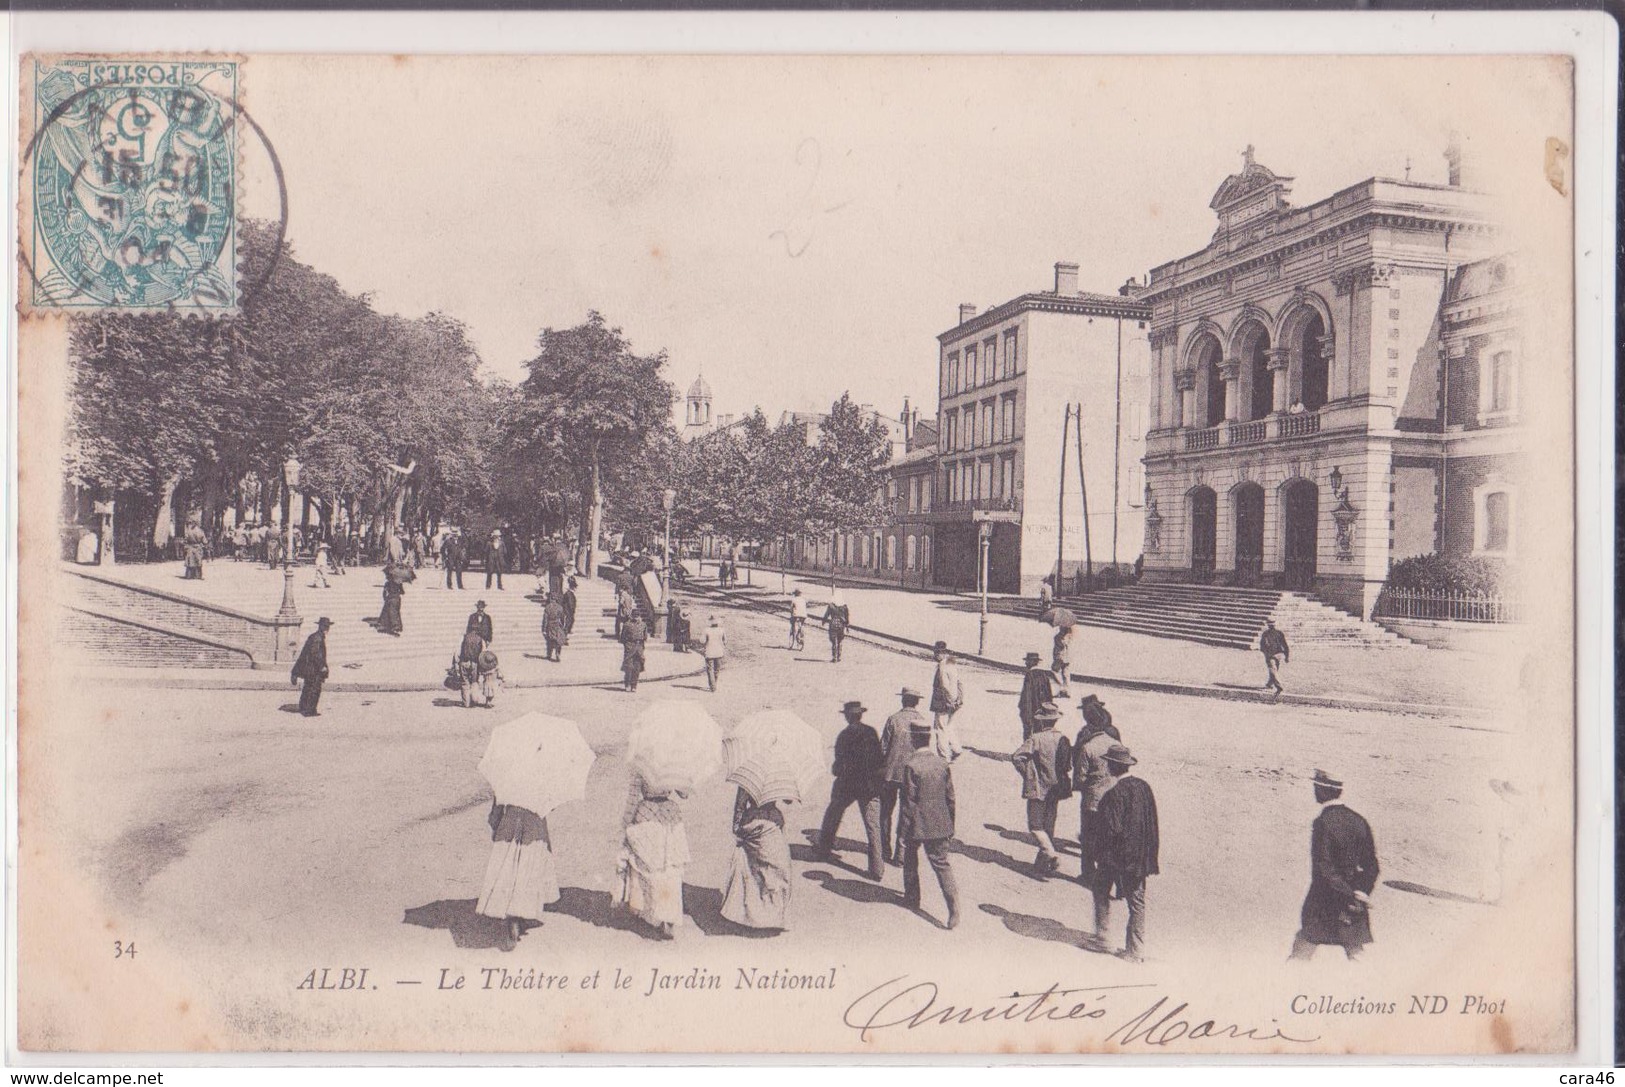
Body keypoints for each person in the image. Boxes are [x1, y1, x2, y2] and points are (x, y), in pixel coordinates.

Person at [1289, 770, 1379, 962]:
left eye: (1316, 787)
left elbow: (1324, 868)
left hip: (1324, 900)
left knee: (1303, 947)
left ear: (1322, 790)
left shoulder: (1323, 823)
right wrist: (1361, 892)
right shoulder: (1358, 820)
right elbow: (1372, 865)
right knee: (1356, 951)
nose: (1314, 791)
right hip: (1352, 904)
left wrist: (1347, 893)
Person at [1092, 743, 1159, 962]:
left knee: (1101, 889)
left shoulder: (1114, 794)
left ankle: (1102, 937)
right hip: (1139, 856)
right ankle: (1135, 950)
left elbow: (1111, 829)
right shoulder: (1143, 787)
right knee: (1137, 902)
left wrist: (1096, 849)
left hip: (1116, 857)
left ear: (1111, 766)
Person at [899, 718, 961, 929]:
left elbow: (908, 803)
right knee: (942, 865)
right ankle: (954, 911)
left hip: (917, 824)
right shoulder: (942, 764)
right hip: (940, 823)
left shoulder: (910, 766)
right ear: (930, 738)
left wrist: (902, 830)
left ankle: (912, 898)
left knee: (909, 858)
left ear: (913, 740)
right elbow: (950, 798)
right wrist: (950, 825)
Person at [477, 799, 560, 953]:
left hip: (510, 820)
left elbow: (497, 806)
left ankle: (512, 918)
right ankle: (519, 913)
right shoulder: (544, 777)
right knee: (527, 871)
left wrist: (496, 822)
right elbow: (550, 805)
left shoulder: (507, 777)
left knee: (508, 869)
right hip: (534, 824)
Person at [616, 771, 691, 938]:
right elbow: (684, 794)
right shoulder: (674, 764)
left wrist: (624, 825)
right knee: (671, 868)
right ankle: (669, 917)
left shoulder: (642, 765)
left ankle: (651, 913)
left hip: (647, 814)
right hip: (671, 816)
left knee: (649, 868)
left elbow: (633, 799)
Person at [816, 700, 886, 880]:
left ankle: (824, 849)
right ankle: (877, 869)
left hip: (848, 785)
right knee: (873, 826)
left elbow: (838, 766)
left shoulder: (843, 736)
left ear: (847, 716)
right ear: (860, 715)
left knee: (833, 813)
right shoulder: (871, 732)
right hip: (869, 786)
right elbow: (879, 760)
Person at [1010, 701, 1073, 877]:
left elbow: (1016, 757)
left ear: (1042, 721)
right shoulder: (1063, 739)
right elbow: (1067, 765)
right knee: (1049, 826)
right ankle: (1042, 866)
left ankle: (1051, 855)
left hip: (1039, 788)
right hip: (1056, 789)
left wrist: (1028, 774)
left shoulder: (1036, 738)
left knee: (1036, 826)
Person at [719, 783, 793, 931]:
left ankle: (767, 915)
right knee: (771, 868)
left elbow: (740, 805)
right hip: (767, 822)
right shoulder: (769, 776)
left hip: (760, 822)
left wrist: (737, 828)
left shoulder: (752, 777)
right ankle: (767, 915)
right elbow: (741, 804)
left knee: (768, 869)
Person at [1072, 694, 1122, 885]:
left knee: (1088, 835)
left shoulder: (1086, 738)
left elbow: (1079, 773)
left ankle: (1087, 874)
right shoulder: (1114, 734)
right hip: (1114, 793)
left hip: (1092, 796)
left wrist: (1080, 785)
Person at [879, 687, 929, 864]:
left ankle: (884, 849)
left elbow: (883, 748)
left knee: (885, 812)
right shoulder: (922, 722)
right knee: (906, 814)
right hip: (912, 775)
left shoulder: (893, 719)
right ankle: (900, 854)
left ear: (903, 701)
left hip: (891, 774)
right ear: (917, 702)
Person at [929, 641, 964, 760]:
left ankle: (943, 757)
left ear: (940, 653)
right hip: (955, 701)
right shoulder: (951, 663)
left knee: (940, 728)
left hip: (943, 703)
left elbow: (944, 686)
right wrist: (959, 699)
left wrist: (950, 702)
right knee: (949, 727)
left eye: (935, 653)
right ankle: (956, 748)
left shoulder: (942, 666)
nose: (934, 656)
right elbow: (959, 682)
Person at [291, 617, 332, 717]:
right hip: (314, 669)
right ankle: (310, 710)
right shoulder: (317, 638)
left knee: (308, 687)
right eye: (326, 626)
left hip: (310, 669)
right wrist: (322, 666)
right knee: (314, 689)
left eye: (328, 626)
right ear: (321, 626)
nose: (327, 628)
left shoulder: (315, 636)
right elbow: (315, 654)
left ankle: (303, 707)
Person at [1017, 651, 1057, 740]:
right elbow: (1049, 695)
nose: (1025, 663)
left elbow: (1026, 695)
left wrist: (1023, 710)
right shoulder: (1044, 674)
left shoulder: (1029, 675)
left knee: (1028, 735)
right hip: (1042, 711)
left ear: (1032, 662)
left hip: (1031, 711)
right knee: (1040, 733)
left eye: (1027, 661)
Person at [378, 561, 409, 636]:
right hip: (397, 599)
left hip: (390, 598)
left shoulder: (387, 583)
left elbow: (384, 593)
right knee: (395, 612)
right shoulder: (399, 583)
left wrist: (385, 598)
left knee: (388, 612)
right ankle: (396, 626)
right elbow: (402, 592)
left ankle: (389, 626)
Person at [1260, 618, 1290, 698]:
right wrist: (1286, 656)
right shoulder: (1270, 634)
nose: (1271, 625)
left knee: (1273, 669)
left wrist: (1287, 656)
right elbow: (1262, 646)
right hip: (1275, 654)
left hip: (1275, 654)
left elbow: (1285, 645)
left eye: (1272, 623)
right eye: (1271, 624)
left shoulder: (1272, 633)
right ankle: (1274, 685)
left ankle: (1274, 685)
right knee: (1273, 669)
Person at [458, 627, 486, 709]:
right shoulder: (480, 639)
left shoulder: (464, 637)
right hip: (475, 663)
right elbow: (483, 653)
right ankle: (474, 700)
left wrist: (457, 662)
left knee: (465, 682)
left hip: (464, 661)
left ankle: (466, 703)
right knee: (474, 682)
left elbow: (458, 651)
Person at [620, 613, 648, 692]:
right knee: (628, 667)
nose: (636, 618)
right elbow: (622, 637)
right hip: (629, 647)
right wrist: (627, 645)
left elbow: (645, 637)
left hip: (639, 648)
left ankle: (634, 685)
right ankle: (627, 684)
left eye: (638, 616)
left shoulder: (643, 625)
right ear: (632, 616)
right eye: (635, 616)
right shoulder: (627, 625)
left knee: (637, 667)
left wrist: (641, 647)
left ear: (640, 616)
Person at [701, 615, 727, 691]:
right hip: (719, 652)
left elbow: (702, 641)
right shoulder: (722, 630)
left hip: (709, 652)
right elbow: (725, 641)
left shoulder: (706, 630)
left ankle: (713, 686)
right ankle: (714, 683)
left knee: (710, 670)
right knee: (717, 669)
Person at [824, 592, 851, 663]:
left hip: (833, 625)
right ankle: (839, 656)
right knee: (840, 641)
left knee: (834, 642)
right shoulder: (845, 607)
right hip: (841, 626)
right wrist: (847, 625)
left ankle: (834, 657)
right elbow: (847, 617)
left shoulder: (831, 606)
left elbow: (826, 615)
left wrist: (823, 621)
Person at [1051, 625, 1075, 698]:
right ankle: (1067, 691)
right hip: (1068, 657)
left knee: (1054, 671)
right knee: (1065, 674)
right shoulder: (1070, 636)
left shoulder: (1059, 637)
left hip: (1060, 657)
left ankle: (1062, 687)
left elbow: (1061, 645)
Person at [542, 594, 567, 662]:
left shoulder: (548, 607)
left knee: (549, 640)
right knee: (558, 640)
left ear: (551, 599)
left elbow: (545, 619)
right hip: (557, 625)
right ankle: (558, 653)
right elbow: (563, 618)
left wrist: (543, 629)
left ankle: (549, 654)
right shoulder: (560, 607)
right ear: (556, 599)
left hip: (550, 625)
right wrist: (562, 625)